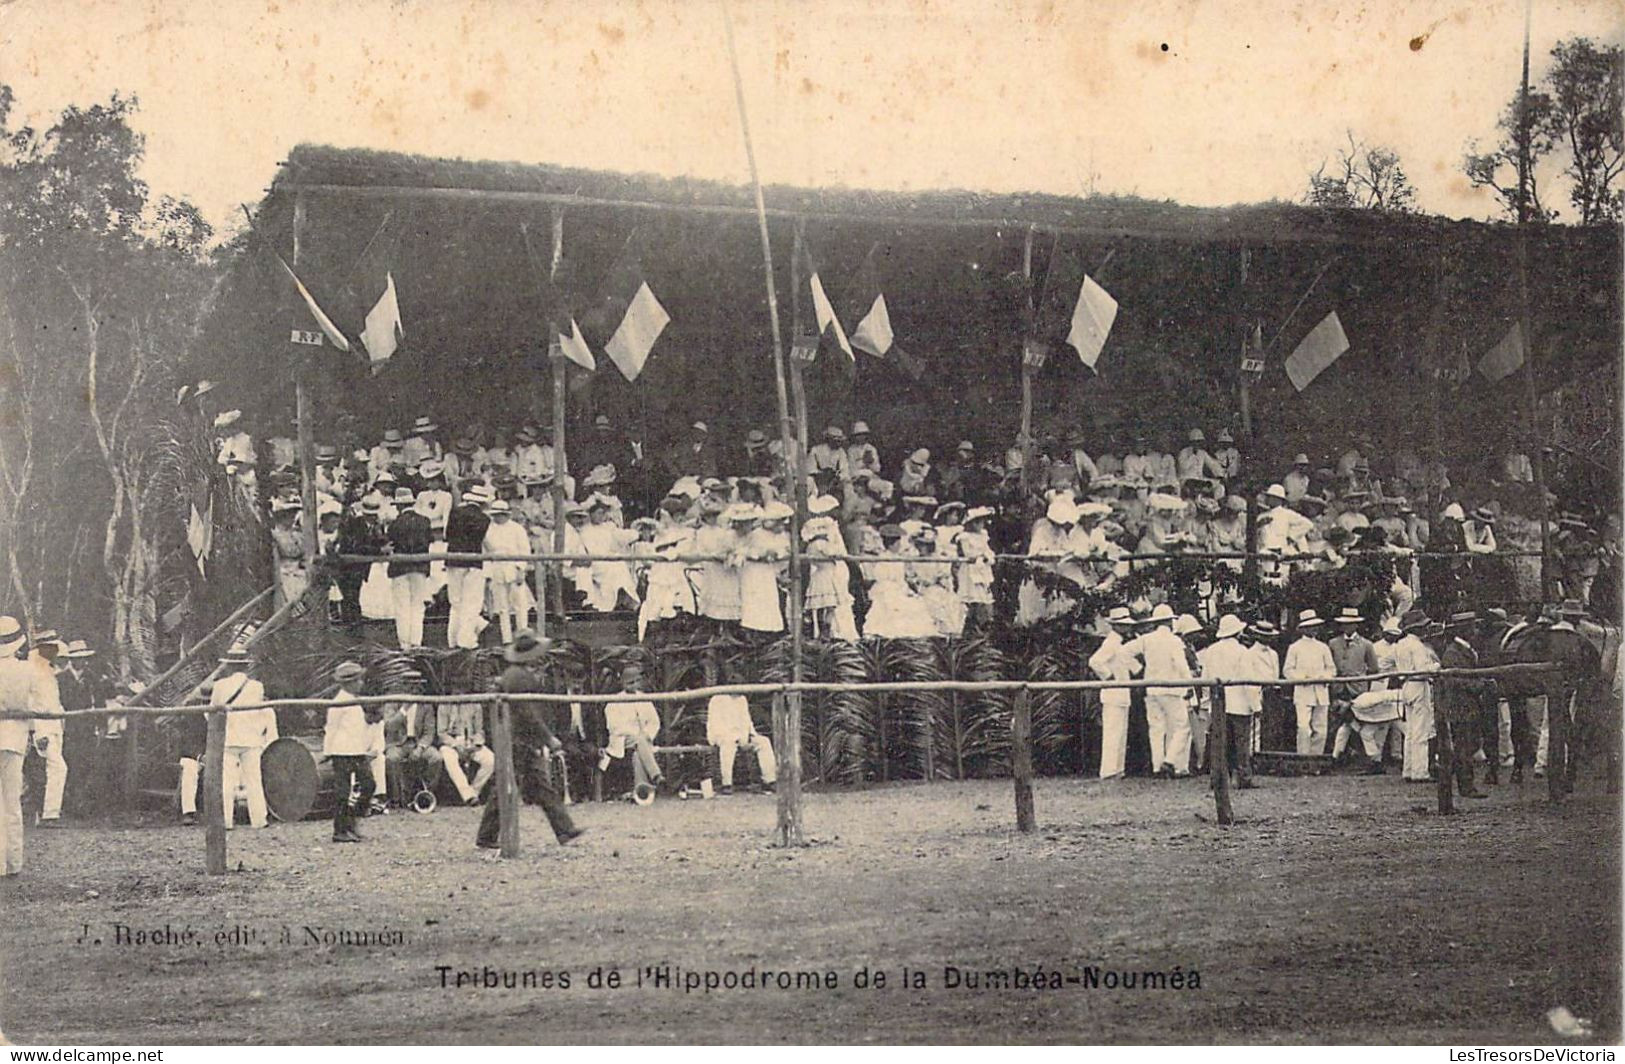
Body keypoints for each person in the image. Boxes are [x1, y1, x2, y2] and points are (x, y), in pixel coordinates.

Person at [477, 631, 585, 850]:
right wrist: (548, 737)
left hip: (521, 740)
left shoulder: (516, 674)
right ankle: (486, 836)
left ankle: (564, 829)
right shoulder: (519, 677)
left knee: (539, 786)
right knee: (505, 787)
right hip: (518, 740)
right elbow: (528, 713)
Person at [1125, 604, 1193, 779]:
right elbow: (1181, 665)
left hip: (1152, 688)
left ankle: (1157, 767)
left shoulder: (1147, 639)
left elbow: (1124, 651)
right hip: (1171, 689)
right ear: (1170, 622)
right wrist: (1189, 685)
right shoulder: (1174, 641)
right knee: (1182, 727)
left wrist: (1138, 669)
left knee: (1156, 728)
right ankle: (1169, 762)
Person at [1197, 613, 1264, 788]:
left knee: (1220, 744)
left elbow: (1206, 679)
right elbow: (1248, 680)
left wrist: (1207, 702)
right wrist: (1255, 705)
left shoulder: (1211, 651)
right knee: (1241, 743)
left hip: (1218, 703)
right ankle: (1243, 777)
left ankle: (1218, 778)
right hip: (1240, 704)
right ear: (1238, 633)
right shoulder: (1243, 652)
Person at [213, 650, 277, 830]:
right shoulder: (257, 686)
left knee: (227, 781)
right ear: (246, 666)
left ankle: (225, 821)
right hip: (251, 738)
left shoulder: (220, 686)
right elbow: (259, 711)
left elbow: (211, 711)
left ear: (229, 666)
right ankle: (259, 820)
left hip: (229, 738)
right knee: (254, 780)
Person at [1431, 613, 1491, 799]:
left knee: (1470, 744)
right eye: (1472, 627)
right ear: (1463, 630)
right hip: (1460, 705)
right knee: (1463, 746)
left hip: (1469, 705)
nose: (1475, 631)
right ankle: (1465, 786)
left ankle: (1465, 782)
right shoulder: (1453, 653)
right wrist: (1480, 685)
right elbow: (1457, 680)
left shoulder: (1466, 650)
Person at [0, 617, 40, 875]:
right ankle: (13, 862)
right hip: (15, 737)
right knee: (12, 800)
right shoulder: (27, 670)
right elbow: (34, 704)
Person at [323, 662, 377, 843]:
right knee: (342, 792)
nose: (361, 683)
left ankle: (352, 819)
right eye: (358, 680)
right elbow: (331, 728)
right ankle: (339, 830)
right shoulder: (339, 702)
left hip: (357, 751)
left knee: (369, 784)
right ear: (350, 683)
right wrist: (328, 750)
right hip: (341, 752)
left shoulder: (355, 700)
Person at [706, 663, 777, 794]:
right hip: (722, 736)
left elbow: (747, 720)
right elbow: (714, 724)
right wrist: (733, 737)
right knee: (728, 744)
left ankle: (770, 780)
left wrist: (751, 735)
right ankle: (726, 784)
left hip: (742, 736)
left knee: (764, 742)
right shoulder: (717, 699)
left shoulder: (742, 699)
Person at [1088, 607, 1140, 780]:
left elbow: (1133, 667)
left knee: (1120, 733)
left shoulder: (1120, 644)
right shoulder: (1111, 642)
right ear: (1116, 626)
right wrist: (1108, 677)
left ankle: (1118, 769)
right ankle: (1109, 770)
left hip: (1122, 694)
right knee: (1112, 732)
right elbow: (1095, 661)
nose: (1128, 628)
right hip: (1113, 694)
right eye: (1124, 625)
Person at [1327, 608, 1381, 764]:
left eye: (1351, 624)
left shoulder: (1366, 644)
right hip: (1339, 689)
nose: (1347, 627)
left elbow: (1373, 668)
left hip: (1358, 690)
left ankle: (1366, 756)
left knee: (1355, 724)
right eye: (1344, 624)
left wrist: (1360, 678)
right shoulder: (1333, 643)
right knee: (1346, 723)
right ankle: (1341, 756)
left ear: (1357, 625)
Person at [601, 663, 664, 793]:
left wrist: (647, 734)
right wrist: (635, 734)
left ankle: (640, 788)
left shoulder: (644, 698)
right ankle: (656, 775)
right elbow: (614, 727)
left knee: (638, 752)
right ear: (622, 683)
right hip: (622, 740)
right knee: (639, 741)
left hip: (643, 741)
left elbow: (654, 721)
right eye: (629, 683)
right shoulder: (614, 702)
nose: (633, 685)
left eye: (635, 682)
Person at [24, 636, 66, 826]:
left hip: (55, 726)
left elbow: (53, 702)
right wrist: (36, 732)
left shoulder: (48, 670)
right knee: (57, 768)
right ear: (43, 648)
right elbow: (31, 704)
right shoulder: (32, 671)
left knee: (50, 769)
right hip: (42, 727)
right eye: (52, 647)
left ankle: (46, 812)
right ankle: (49, 814)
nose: (55, 651)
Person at [1283, 609, 1335, 756]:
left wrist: (1323, 677)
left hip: (1321, 692)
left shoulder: (1323, 647)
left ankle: (1316, 759)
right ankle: (1303, 758)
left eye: (1315, 626)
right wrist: (1302, 677)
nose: (1314, 629)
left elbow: (1332, 669)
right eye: (1310, 627)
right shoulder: (1295, 648)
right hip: (1303, 692)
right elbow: (1288, 670)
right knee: (1304, 727)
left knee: (1321, 729)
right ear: (1303, 629)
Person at [444, 488, 491, 648]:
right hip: (473, 561)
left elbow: (448, 534)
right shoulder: (484, 519)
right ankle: (466, 639)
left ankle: (453, 639)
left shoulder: (455, 513)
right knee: (471, 602)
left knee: (456, 602)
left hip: (454, 559)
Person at [1394, 610, 1437, 783]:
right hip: (1419, 684)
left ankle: (1409, 768)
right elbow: (1422, 669)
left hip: (1406, 686)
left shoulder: (1400, 645)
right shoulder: (1417, 646)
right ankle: (1420, 771)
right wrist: (1435, 667)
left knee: (1411, 731)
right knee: (1421, 731)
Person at [386, 487, 433, 649]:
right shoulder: (425, 521)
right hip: (419, 566)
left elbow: (390, 545)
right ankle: (416, 641)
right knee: (418, 605)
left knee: (402, 606)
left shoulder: (394, 524)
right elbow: (429, 542)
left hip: (399, 568)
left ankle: (404, 643)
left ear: (398, 506)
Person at [483, 499, 533, 641]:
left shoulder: (517, 529)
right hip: (496, 568)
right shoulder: (488, 529)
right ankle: (507, 639)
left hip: (513, 567)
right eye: (495, 514)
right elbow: (485, 552)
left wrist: (520, 569)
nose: (498, 517)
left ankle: (522, 634)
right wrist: (488, 573)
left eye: (501, 514)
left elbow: (524, 550)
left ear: (507, 515)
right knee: (502, 606)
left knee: (520, 604)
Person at [436, 698, 494, 805]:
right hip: (451, 743)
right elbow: (441, 733)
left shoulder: (475, 705)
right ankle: (467, 795)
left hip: (470, 742)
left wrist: (474, 744)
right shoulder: (444, 705)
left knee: (491, 759)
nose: (458, 691)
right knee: (449, 758)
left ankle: (473, 793)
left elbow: (479, 731)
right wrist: (456, 745)